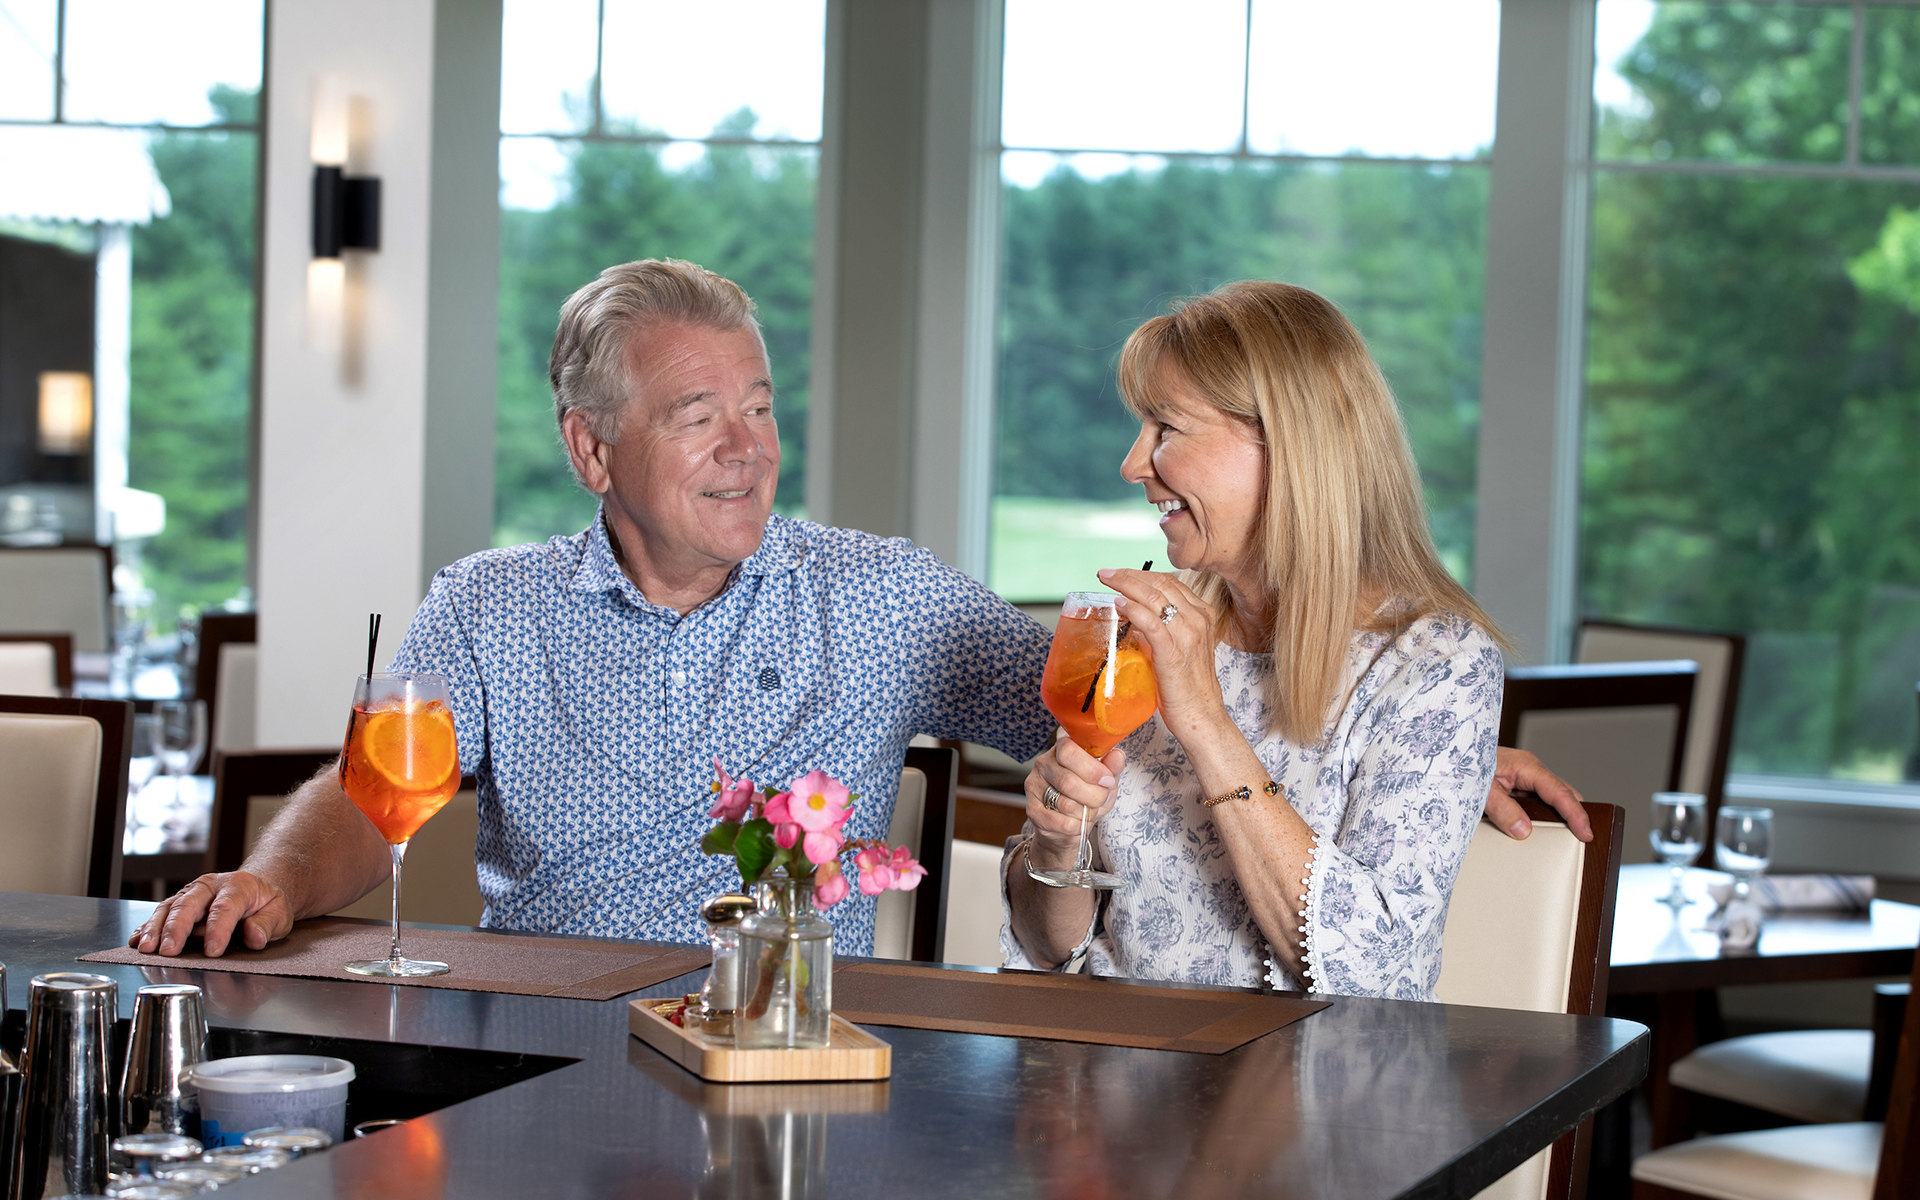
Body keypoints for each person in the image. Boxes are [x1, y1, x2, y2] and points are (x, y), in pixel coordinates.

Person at [133, 260, 1585, 963]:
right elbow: (371, 791)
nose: (747, 448)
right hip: (549, 1035)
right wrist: (274, 881)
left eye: (761, 408)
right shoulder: (490, 606)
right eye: (697, 416)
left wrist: (1439, 755)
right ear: (593, 449)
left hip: (798, 1062)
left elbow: (1105, 704)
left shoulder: (879, 597)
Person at [1005, 280, 1518, 1000]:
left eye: (1165, 428)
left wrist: (1205, 722)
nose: (1132, 464)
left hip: (1310, 1072)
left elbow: (1367, 975)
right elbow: (1050, 947)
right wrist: (1059, 849)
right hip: (1111, 1061)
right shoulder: (1150, 641)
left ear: (1285, 444)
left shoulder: (1438, 665)